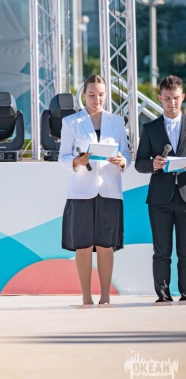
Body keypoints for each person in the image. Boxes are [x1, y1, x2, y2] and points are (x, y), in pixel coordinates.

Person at [58, 74, 130, 305]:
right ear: (83, 95)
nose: (96, 99)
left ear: (106, 95)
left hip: (109, 190)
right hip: (81, 192)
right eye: (91, 95)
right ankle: (86, 297)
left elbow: (126, 153)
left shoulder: (116, 122)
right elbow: (63, 157)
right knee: (83, 245)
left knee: (106, 245)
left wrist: (122, 161)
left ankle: (106, 297)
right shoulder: (71, 122)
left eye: (100, 95)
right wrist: (76, 161)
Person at [135, 75, 186, 302]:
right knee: (161, 252)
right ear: (159, 98)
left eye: (175, 98)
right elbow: (139, 163)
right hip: (159, 200)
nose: (171, 103)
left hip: (185, 197)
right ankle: (163, 296)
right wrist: (153, 164)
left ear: (183, 97)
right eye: (167, 98)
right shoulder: (150, 128)